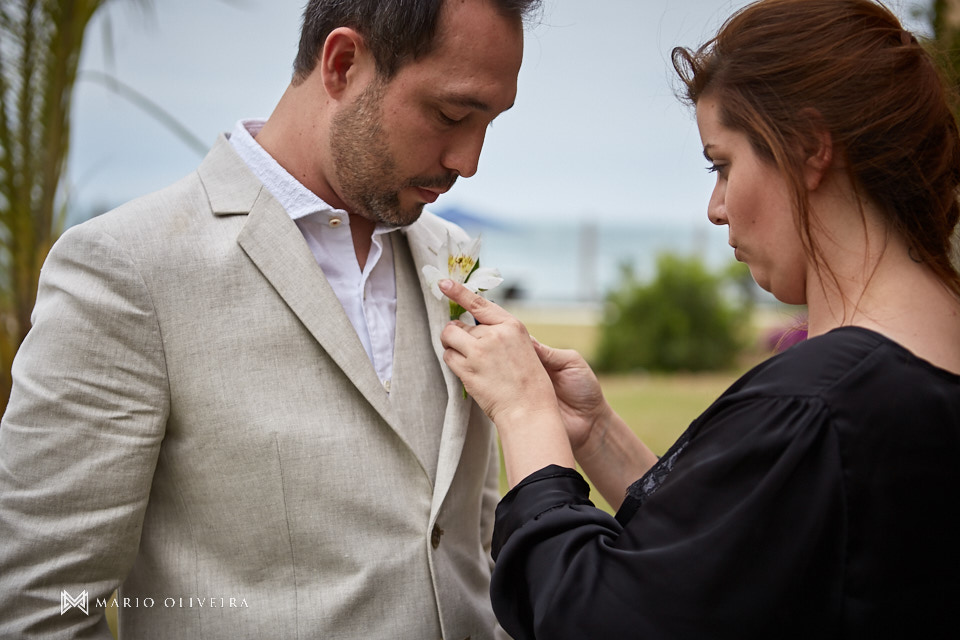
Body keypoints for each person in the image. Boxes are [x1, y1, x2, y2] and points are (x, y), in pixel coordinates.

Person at [0, 0, 539, 637]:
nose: (468, 160)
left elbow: (470, 541)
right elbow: (43, 605)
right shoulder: (129, 269)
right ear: (342, 64)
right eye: (451, 114)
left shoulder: (451, 256)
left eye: (489, 123)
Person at [437, 0, 960, 638]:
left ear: (809, 150)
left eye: (723, 164)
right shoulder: (913, 374)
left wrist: (526, 415)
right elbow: (728, 566)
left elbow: (595, 618)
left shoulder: (823, 403)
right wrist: (597, 433)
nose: (715, 208)